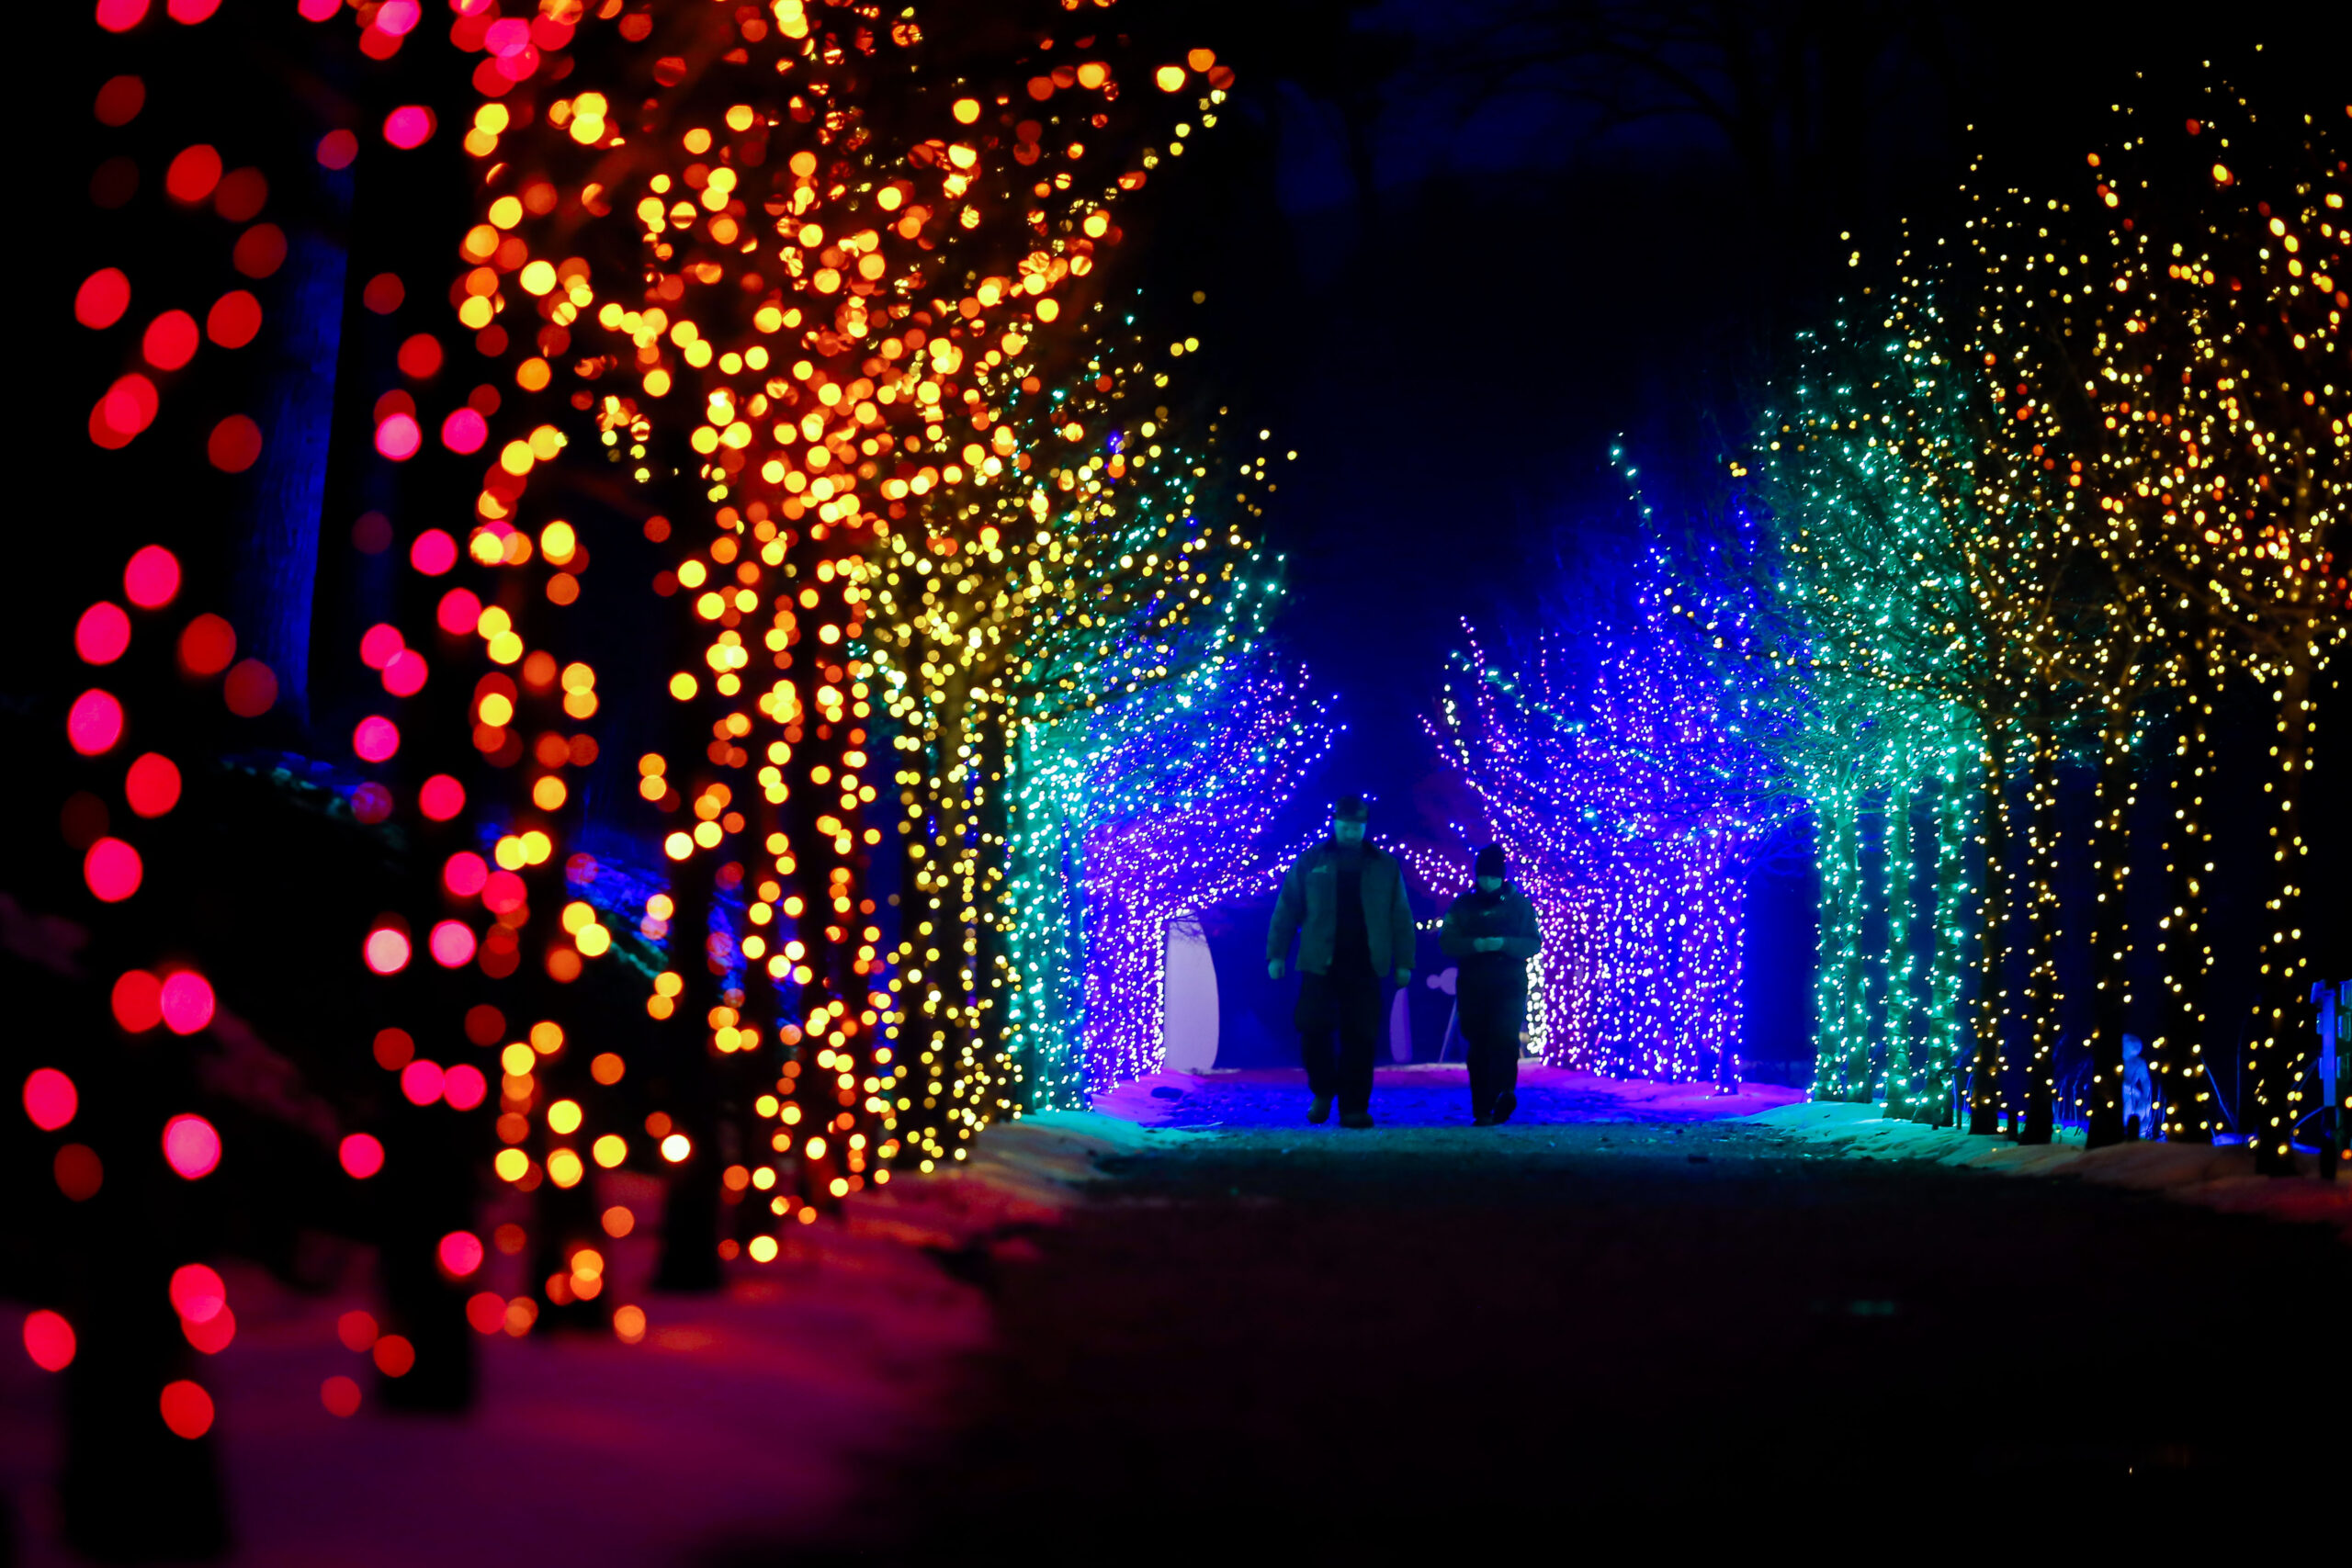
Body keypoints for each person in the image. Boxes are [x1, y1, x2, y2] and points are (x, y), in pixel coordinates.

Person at [1266, 795, 1416, 1128]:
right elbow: (1288, 907)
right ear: (1335, 823)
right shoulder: (1311, 860)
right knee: (1312, 1026)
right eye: (1346, 825)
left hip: (1365, 964)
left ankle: (1354, 1107)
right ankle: (1323, 1088)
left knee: (1361, 1037)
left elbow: (1400, 916)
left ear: (1364, 826)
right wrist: (1277, 953)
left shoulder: (1384, 865)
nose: (1351, 831)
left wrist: (1405, 961)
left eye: (1357, 826)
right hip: (1320, 961)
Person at [1439, 844, 1542, 1124]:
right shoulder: (1463, 905)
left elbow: (1533, 943)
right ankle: (1483, 1106)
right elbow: (1447, 941)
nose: (1487, 883)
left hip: (1509, 984)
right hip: (1474, 986)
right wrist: (1475, 945)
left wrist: (1504, 945)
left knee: (1505, 1038)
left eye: (1492, 877)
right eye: (1483, 877)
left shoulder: (1520, 906)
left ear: (1502, 876)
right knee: (1479, 1043)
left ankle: (1504, 1092)